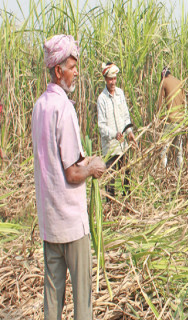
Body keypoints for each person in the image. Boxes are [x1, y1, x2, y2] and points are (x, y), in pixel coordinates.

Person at [32, 34, 106, 319]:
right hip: (72, 226)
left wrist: (85, 161)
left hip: (49, 223)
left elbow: (53, 159)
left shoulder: (40, 107)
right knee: (82, 304)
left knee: (52, 301)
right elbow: (73, 172)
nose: (76, 72)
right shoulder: (64, 108)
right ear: (58, 70)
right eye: (72, 66)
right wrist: (92, 168)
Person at [97, 62, 136, 198]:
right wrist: (114, 134)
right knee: (111, 180)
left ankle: (127, 204)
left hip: (123, 145)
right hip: (111, 147)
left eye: (114, 78)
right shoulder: (102, 99)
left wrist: (129, 133)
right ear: (105, 80)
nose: (112, 82)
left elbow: (126, 116)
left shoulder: (120, 94)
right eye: (110, 79)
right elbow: (101, 126)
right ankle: (111, 207)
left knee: (126, 176)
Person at [157, 66, 186, 169]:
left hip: (171, 121)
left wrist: (158, 119)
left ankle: (163, 173)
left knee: (163, 150)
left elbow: (159, 105)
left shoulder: (164, 82)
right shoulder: (179, 82)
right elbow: (183, 103)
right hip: (180, 121)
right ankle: (180, 173)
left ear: (162, 75)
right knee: (179, 151)